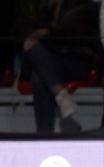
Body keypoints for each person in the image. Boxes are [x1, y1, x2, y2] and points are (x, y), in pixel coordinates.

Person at [15, 0, 99, 133]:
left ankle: (43, 135)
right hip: (37, 58)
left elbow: (76, 33)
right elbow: (23, 29)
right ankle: (61, 94)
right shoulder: (32, 5)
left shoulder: (82, 4)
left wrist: (46, 32)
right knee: (37, 53)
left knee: (39, 74)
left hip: (72, 59)